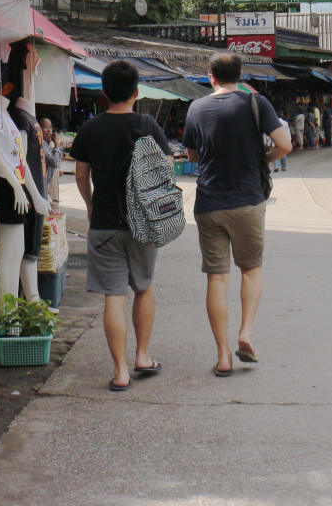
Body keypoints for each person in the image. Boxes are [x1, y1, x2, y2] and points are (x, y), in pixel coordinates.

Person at [182, 52, 292, 378]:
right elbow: (284, 145)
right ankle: (245, 332)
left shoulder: (196, 108)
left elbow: (191, 154)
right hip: (247, 201)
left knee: (217, 277)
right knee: (251, 269)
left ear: (210, 76)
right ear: (241, 75)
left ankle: (223, 356)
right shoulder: (256, 104)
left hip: (209, 203)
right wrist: (263, 160)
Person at [70, 60, 169, 392]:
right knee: (143, 287)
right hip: (143, 224)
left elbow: (81, 175)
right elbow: (166, 169)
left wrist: (89, 204)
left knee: (113, 296)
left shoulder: (90, 128)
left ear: (103, 93)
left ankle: (121, 372)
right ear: (136, 92)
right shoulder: (148, 124)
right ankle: (142, 355)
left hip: (104, 224)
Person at [40, 117, 64, 203]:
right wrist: (57, 144)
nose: (49, 130)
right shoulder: (41, 144)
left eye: (50, 127)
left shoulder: (47, 144)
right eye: (45, 127)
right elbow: (55, 162)